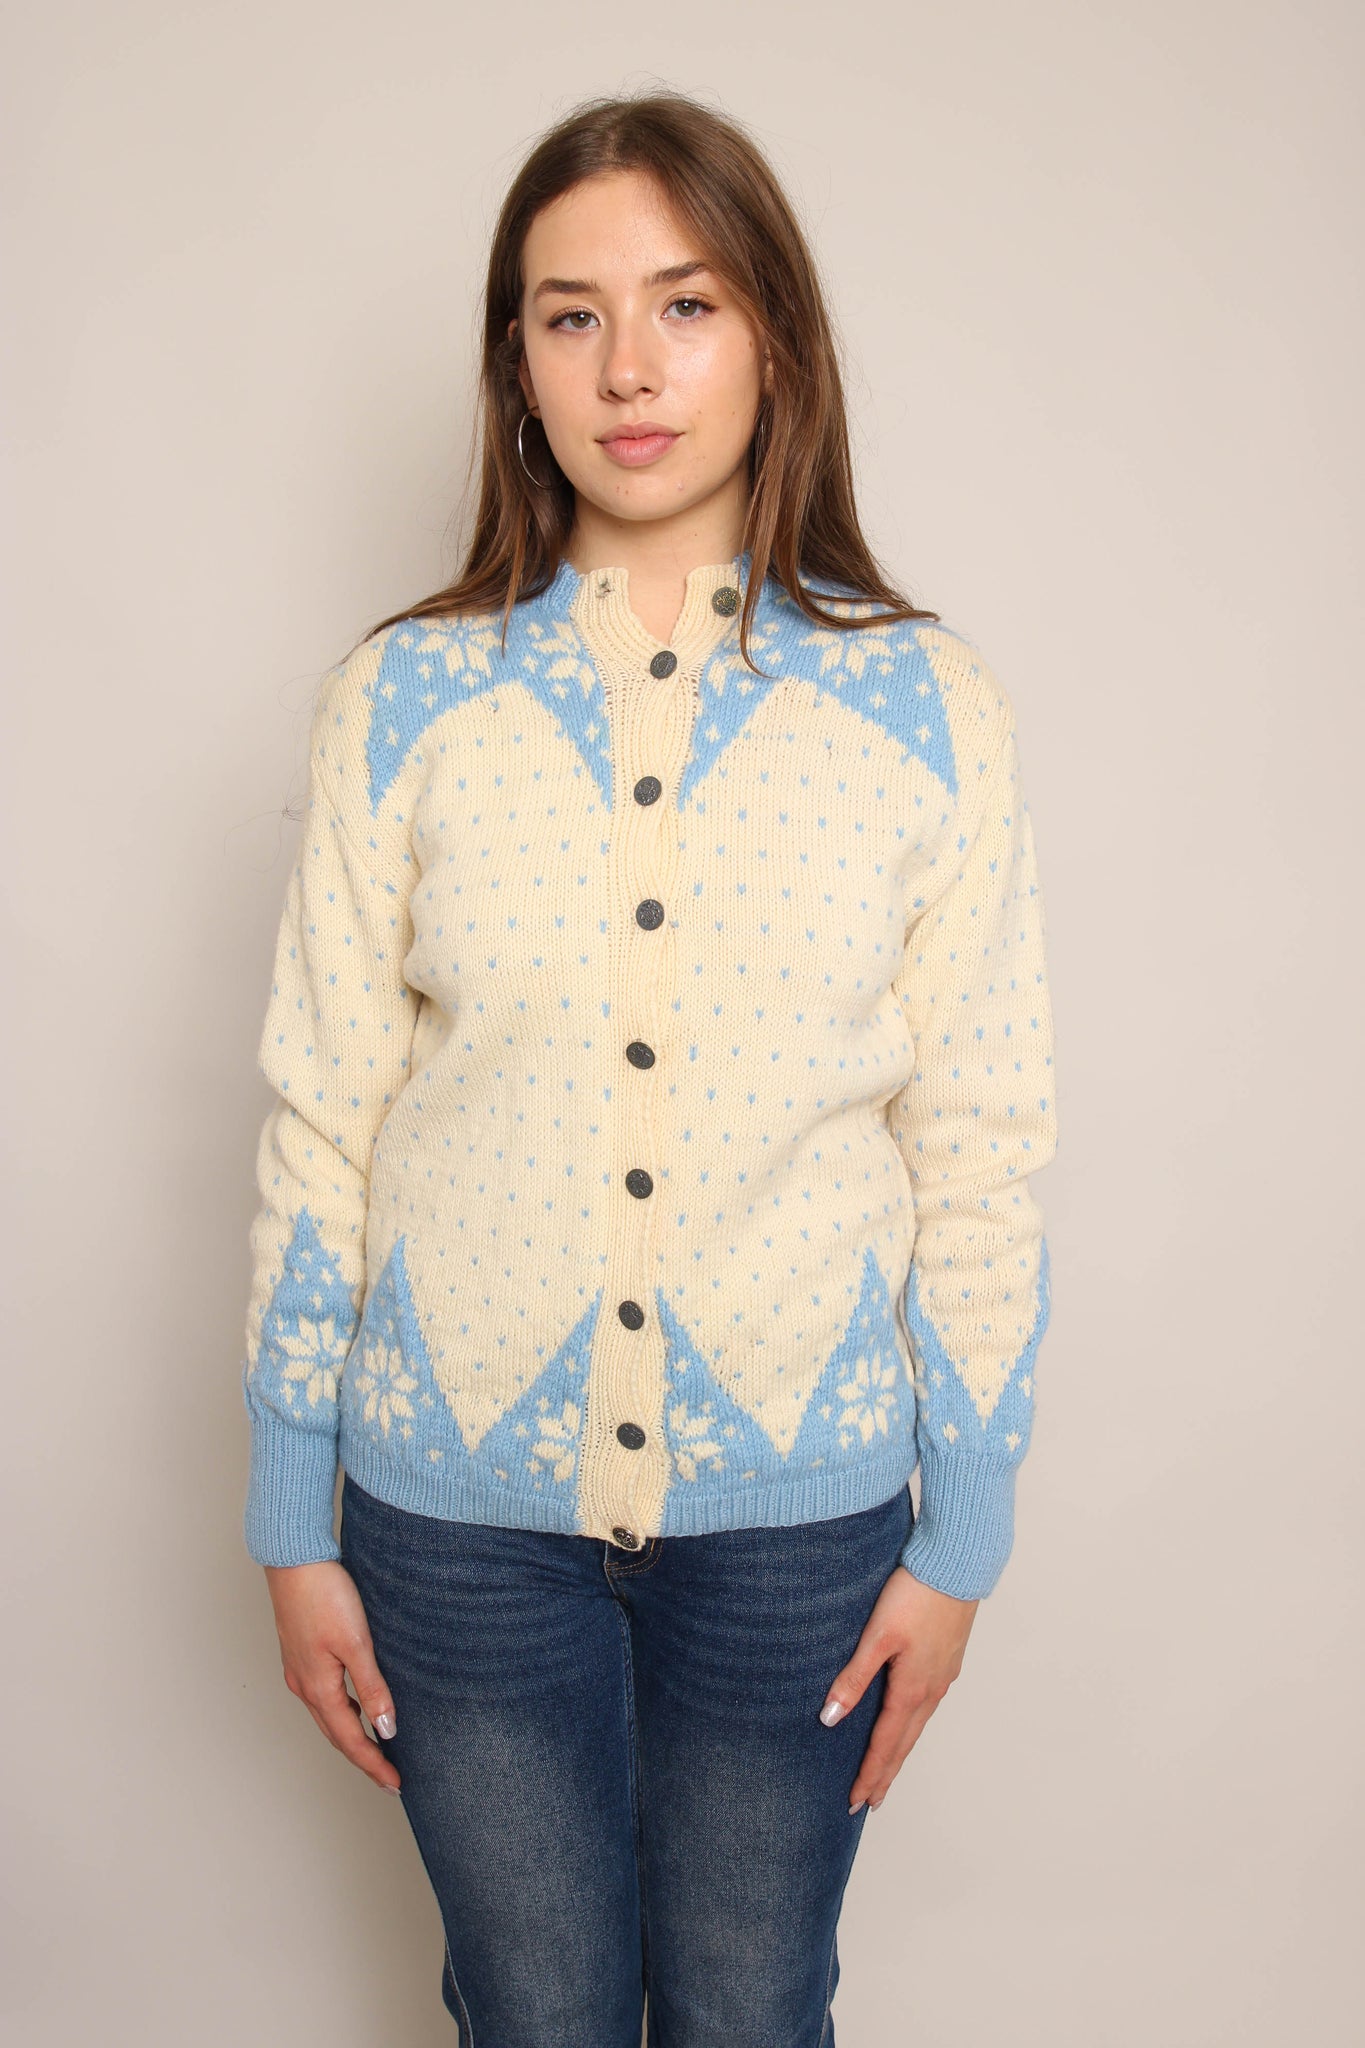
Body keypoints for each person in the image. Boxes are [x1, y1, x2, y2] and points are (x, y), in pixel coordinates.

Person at [240, 89, 1059, 2048]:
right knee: (530, 2016)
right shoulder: (401, 701)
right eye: (569, 314)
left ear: (774, 338)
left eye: (685, 305)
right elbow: (321, 1112)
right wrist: (290, 1516)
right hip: (449, 1519)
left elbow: (981, 1137)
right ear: (515, 362)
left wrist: (962, 1533)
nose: (627, 367)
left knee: (748, 2010)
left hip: (798, 1525)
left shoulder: (922, 705)